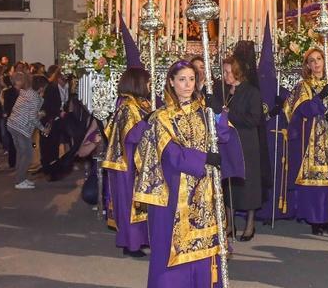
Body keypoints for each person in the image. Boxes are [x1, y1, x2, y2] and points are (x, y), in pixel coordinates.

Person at [133, 60, 243, 288]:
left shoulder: (204, 109)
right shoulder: (161, 117)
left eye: (191, 79)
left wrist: (217, 113)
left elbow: (223, 136)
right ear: (171, 82)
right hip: (175, 189)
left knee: (206, 245)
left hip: (205, 190)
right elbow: (171, 154)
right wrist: (204, 159)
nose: (187, 85)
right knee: (171, 246)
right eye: (182, 79)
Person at [284, 48, 328, 235]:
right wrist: (320, 97)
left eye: (319, 59)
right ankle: (315, 219)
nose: (316, 63)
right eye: (312, 61)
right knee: (315, 182)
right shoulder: (303, 86)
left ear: (324, 60)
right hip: (312, 141)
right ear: (307, 65)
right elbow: (301, 110)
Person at [102, 67, 152, 257]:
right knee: (129, 203)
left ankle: (140, 240)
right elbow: (129, 136)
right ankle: (130, 244)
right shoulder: (127, 106)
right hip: (126, 163)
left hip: (138, 162)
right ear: (137, 83)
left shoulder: (141, 103)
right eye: (147, 82)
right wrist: (147, 122)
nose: (149, 86)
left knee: (141, 203)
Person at [221, 56, 264, 241]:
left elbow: (255, 119)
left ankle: (249, 225)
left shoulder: (251, 92)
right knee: (229, 183)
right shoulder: (223, 90)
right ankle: (230, 224)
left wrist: (231, 114)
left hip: (247, 144)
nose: (225, 75)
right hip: (228, 143)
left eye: (228, 72)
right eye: (223, 71)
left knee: (248, 185)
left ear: (238, 72)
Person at [6, 73, 49, 189]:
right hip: (21, 127)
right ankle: (19, 181)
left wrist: (39, 113)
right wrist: (43, 128)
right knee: (27, 154)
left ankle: (21, 178)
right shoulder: (34, 97)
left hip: (13, 124)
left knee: (21, 153)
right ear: (41, 88)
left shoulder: (27, 92)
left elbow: (29, 112)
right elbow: (32, 118)